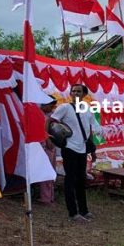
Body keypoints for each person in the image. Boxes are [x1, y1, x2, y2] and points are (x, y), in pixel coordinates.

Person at [51, 84, 98, 222]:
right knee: (70, 180)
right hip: (69, 148)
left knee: (81, 179)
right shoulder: (64, 108)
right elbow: (51, 121)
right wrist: (51, 138)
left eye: (79, 91)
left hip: (82, 149)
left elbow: (88, 129)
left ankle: (84, 210)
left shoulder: (87, 109)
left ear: (84, 94)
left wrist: (92, 149)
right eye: (73, 91)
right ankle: (73, 213)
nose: (75, 93)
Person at [37, 97, 64, 204]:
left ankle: (47, 197)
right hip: (46, 146)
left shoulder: (49, 116)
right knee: (47, 172)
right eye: (51, 106)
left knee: (48, 172)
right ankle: (47, 197)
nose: (52, 109)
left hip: (48, 147)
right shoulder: (41, 115)